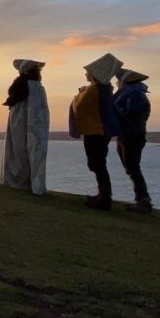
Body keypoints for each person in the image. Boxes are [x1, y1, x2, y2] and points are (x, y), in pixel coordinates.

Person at [69, 53, 122, 211]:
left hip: (96, 132)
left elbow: (80, 105)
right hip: (99, 131)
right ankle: (102, 195)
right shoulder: (103, 89)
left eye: (88, 72)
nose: (86, 74)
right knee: (98, 163)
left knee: (97, 163)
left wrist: (80, 93)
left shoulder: (95, 89)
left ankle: (105, 198)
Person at [0, 59, 50, 195]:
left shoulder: (22, 85)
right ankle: (29, 182)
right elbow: (39, 110)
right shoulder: (35, 87)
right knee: (29, 151)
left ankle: (19, 180)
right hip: (30, 123)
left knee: (19, 150)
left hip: (18, 122)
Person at [114, 67, 153, 214]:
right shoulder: (132, 94)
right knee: (131, 167)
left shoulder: (135, 96)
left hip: (132, 135)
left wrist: (115, 107)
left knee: (133, 167)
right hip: (129, 134)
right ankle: (142, 199)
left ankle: (143, 201)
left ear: (125, 82)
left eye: (118, 81)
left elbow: (130, 115)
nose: (117, 84)